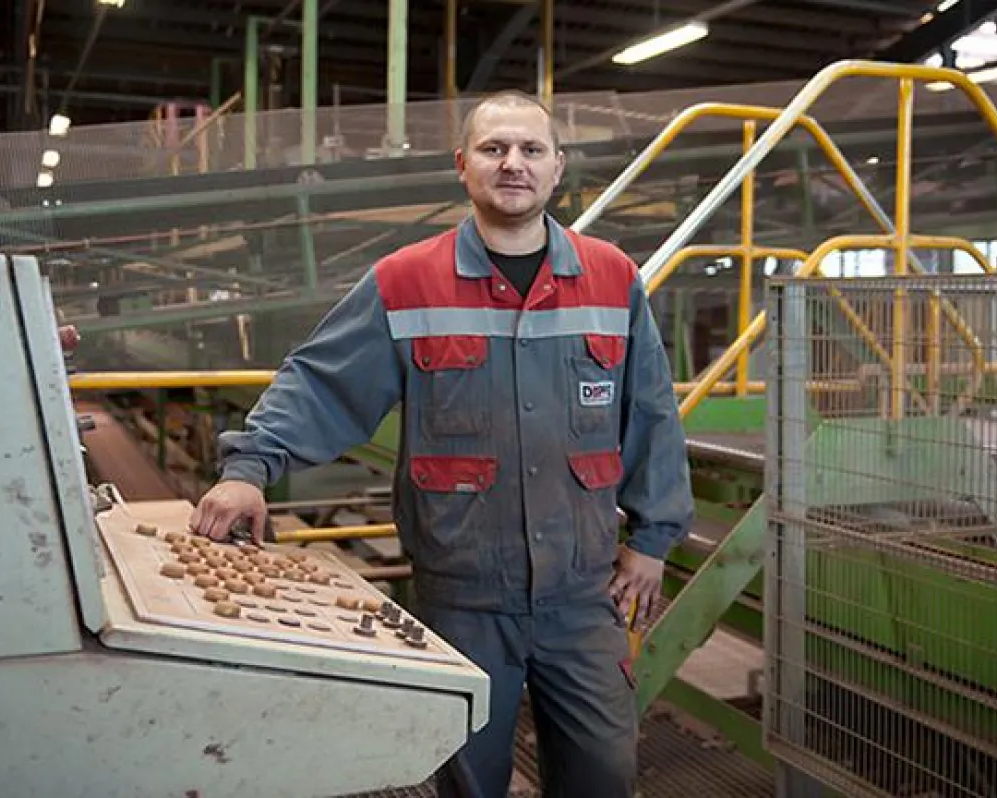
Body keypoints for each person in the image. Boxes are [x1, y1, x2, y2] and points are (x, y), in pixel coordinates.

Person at [189, 89, 694, 798]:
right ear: (463, 166)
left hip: (582, 601)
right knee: (461, 783)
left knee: (602, 777)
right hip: (461, 600)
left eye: (530, 150)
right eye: (494, 149)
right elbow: (322, 383)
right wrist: (248, 468)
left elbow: (651, 413)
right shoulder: (405, 282)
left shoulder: (612, 278)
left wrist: (653, 539)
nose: (512, 163)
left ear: (557, 169)